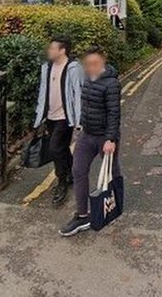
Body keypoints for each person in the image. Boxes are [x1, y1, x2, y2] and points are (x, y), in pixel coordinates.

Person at [59, 45, 122, 237]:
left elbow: (114, 113)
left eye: (95, 63)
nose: (92, 67)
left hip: (105, 136)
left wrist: (111, 139)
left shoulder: (111, 83)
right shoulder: (87, 77)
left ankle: (116, 203)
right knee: (78, 170)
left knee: (111, 172)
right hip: (87, 135)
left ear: (103, 61)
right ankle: (82, 215)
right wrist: (79, 128)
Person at [33, 35, 84, 206]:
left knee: (55, 149)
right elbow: (43, 92)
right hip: (50, 116)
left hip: (65, 117)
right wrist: (39, 117)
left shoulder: (73, 68)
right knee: (60, 148)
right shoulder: (46, 67)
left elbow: (78, 94)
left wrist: (78, 121)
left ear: (62, 50)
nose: (50, 51)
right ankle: (70, 173)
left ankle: (61, 182)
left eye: (53, 48)